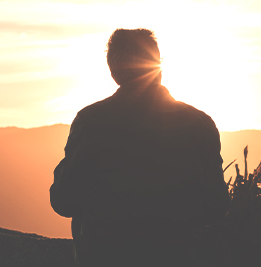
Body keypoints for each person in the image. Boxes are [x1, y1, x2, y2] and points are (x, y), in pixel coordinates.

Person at [50, 28, 229, 267]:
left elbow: (65, 201)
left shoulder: (91, 122)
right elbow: (216, 206)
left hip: (107, 257)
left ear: (113, 71)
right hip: (180, 256)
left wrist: (64, 169)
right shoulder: (200, 123)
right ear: (158, 65)